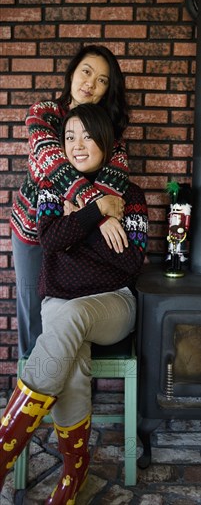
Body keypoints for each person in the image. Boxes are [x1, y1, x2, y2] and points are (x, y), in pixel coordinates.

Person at [0, 103, 148, 503]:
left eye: (86, 136)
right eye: (69, 137)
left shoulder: (129, 195)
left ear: (106, 141)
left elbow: (131, 261)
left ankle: (3, 449)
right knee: (73, 359)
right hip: (60, 303)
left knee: (74, 317)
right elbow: (49, 241)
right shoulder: (52, 190)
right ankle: (74, 471)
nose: (77, 145)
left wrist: (80, 221)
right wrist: (96, 214)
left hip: (112, 305)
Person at [11, 44, 130, 358]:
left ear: (107, 91)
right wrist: (98, 206)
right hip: (32, 228)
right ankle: (33, 392)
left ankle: (65, 390)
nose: (91, 83)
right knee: (33, 308)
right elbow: (54, 167)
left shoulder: (108, 130)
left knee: (68, 311)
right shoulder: (44, 114)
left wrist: (93, 212)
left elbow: (116, 175)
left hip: (77, 231)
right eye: (87, 72)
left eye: (103, 80)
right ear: (73, 73)